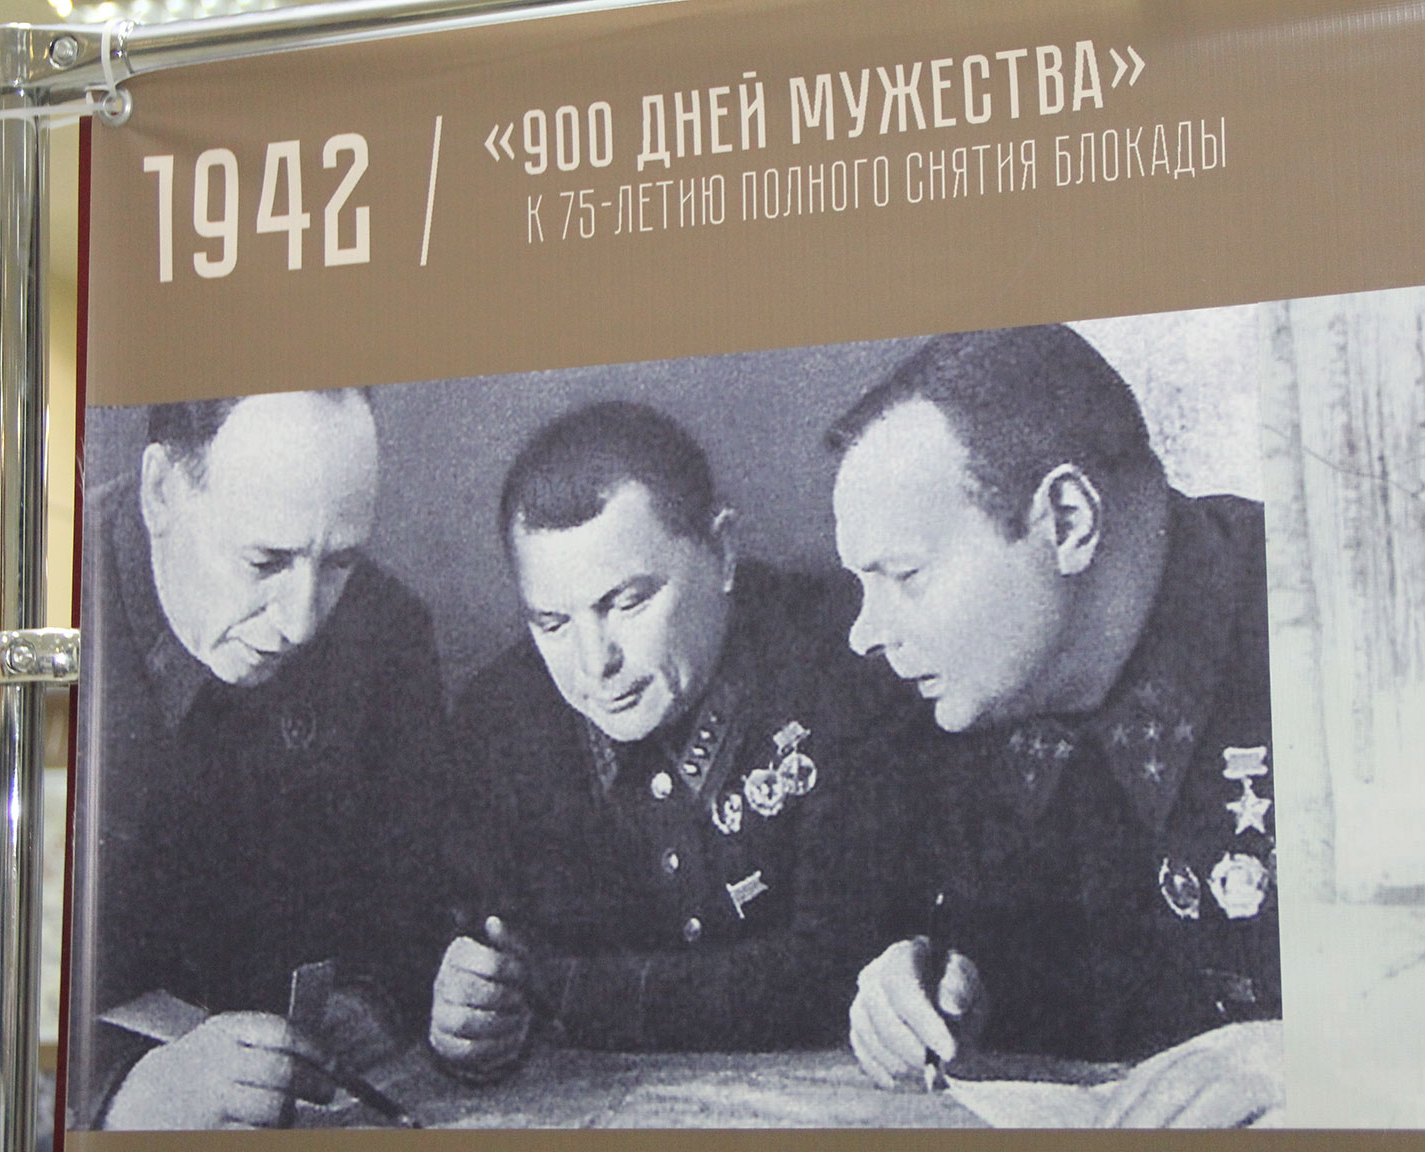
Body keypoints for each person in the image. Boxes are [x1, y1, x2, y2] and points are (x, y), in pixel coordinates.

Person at [828, 325, 1282, 1126]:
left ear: (1068, 519)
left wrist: (1318, 1049)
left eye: (904, 575)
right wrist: (932, 988)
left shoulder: (1338, 620)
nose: (865, 633)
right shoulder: (957, 697)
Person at [430, 401, 904, 1075]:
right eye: (552, 624)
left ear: (723, 552)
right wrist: (469, 1016)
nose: (595, 664)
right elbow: (484, 966)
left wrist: (558, 991)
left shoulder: (845, 660)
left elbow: (840, 968)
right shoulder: (498, 723)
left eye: (627, 603)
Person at [73, 390, 450, 1129]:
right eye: (264, 560)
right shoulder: (6, 619)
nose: (302, 621)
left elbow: (420, 896)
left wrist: (377, 996)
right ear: (161, 492)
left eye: (339, 562)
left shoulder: (387, 634)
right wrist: (115, 1088)